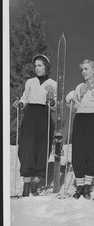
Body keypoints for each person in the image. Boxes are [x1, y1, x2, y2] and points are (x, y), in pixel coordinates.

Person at [65, 59, 94, 199]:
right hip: (79, 118)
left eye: (86, 69)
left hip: (93, 118)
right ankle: (79, 185)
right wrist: (69, 101)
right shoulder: (79, 87)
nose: (83, 72)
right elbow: (73, 108)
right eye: (82, 69)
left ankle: (87, 185)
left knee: (91, 151)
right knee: (78, 151)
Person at [13, 54, 57, 196]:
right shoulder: (30, 82)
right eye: (35, 66)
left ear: (46, 67)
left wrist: (52, 102)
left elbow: (55, 105)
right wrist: (20, 104)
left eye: (40, 65)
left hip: (44, 114)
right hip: (30, 114)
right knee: (27, 147)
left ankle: (35, 184)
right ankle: (26, 186)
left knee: (42, 148)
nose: (36, 68)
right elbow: (24, 98)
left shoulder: (53, 83)